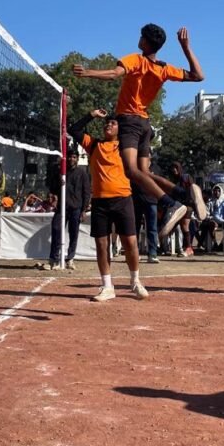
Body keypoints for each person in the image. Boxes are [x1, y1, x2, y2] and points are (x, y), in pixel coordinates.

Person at [72, 24, 204, 241]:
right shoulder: (163, 68)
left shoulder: (136, 59)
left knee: (131, 171)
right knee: (144, 172)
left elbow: (114, 74)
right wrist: (186, 47)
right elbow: (198, 76)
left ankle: (170, 204)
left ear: (145, 42)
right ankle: (184, 193)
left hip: (129, 121)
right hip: (144, 123)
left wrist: (87, 72)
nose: (139, 39)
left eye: (141, 36)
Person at [69, 108, 148, 301]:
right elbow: (74, 130)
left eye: (113, 123)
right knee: (101, 244)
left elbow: (146, 135)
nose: (108, 125)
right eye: (107, 123)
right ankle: (107, 286)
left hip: (123, 198)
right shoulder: (94, 145)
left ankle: (135, 281)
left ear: (120, 129)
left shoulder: (126, 148)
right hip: (100, 201)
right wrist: (92, 115)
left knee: (130, 242)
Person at [49, 148, 91, 271]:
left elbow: (86, 192)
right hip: (61, 208)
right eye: (69, 156)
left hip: (76, 208)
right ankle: (54, 259)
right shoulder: (61, 172)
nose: (71, 159)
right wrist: (58, 186)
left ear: (77, 159)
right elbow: (53, 188)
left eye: (74, 157)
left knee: (74, 234)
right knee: (56, 229)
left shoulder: (82, 173)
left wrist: (84, 210)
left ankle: (70, 258)